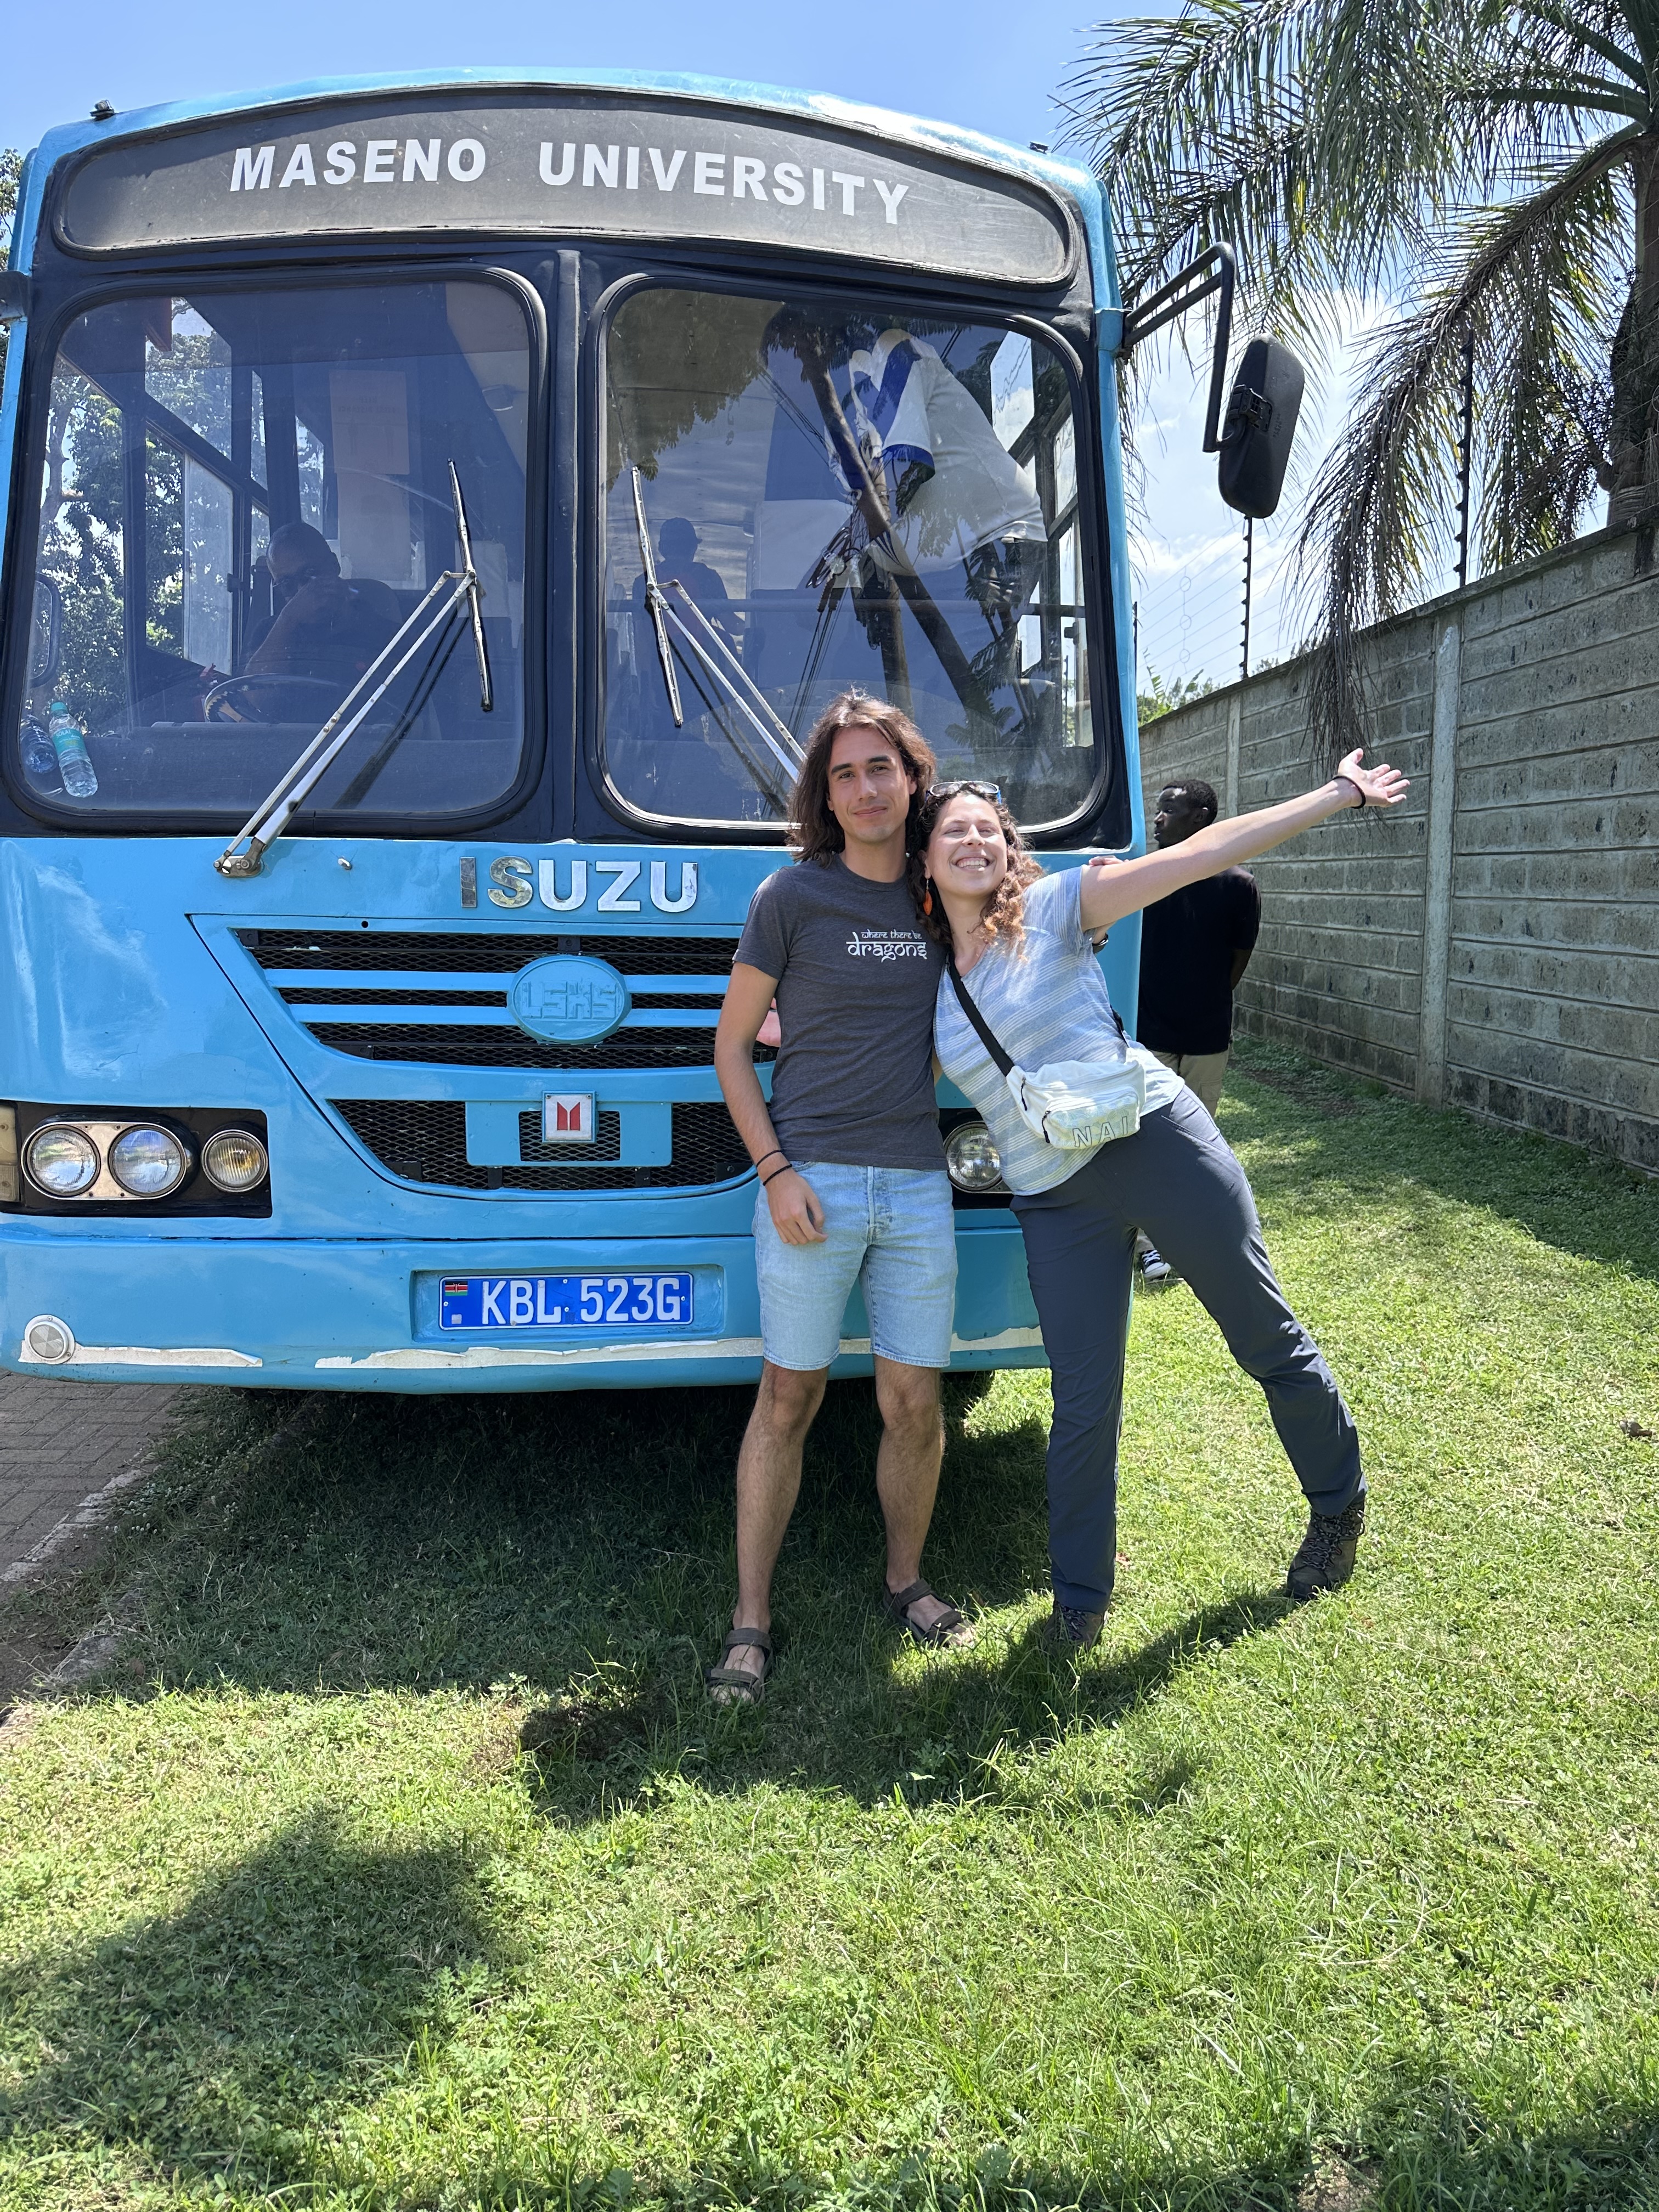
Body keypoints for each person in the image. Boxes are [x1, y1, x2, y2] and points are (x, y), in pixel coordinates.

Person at [915, 749, 1408, 1648]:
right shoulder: (932, 985)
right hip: (1053, 1200)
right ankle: (1078, 1602)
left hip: (1155, 1139)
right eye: (955, 830)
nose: (974, 840)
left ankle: (1338, 1505)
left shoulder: (1059, 908)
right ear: (925, 855)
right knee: (1082, 1402)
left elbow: (1201, 853)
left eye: (989, 828)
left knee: (1263, 1335)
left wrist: (1336, 795)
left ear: (1009, 849)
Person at [708, 692, 969, 1702]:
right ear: (825, 795)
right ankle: (751, 1617)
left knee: (913, 1402)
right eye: (844, 774)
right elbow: (732, 1047)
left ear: (912, 779)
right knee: (789, 1396)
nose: (864, 789)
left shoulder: (937, 894)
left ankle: (906, 1581)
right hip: (809, 1184)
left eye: (880, 768)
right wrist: (775, 1172)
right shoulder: (790, 897)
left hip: (915, 1185)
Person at [1135, 777, 1261, 1285]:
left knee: (1194, 1143)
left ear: (1201, 818)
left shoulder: (1238, 886)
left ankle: (1183, 1239)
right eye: (1158, 808)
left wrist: (1203, 1001)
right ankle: (1148, 1247)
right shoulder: (1142, 878)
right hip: (1148, 1035)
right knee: (1146, 1140)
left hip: (1207, 1038)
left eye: (1170, 809)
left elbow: (1238, 960)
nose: (1158, 818)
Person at [240, 523, 401, 696]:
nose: (302, 591)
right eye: (287, 584)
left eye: (310, 574)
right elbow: (251, 699)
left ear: (334, 565)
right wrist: (288, 620)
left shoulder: (389, 637)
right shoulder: (268, 633)